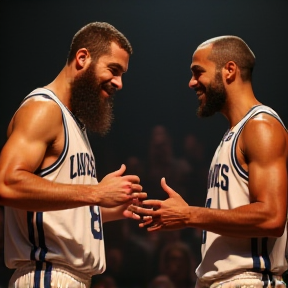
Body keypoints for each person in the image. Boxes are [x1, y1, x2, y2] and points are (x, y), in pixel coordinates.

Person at [128, 35, 288, 288]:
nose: (191, 83)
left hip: (250, 280)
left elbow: (272, 217)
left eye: (197, 72)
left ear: (229, 70)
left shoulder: (261, 126)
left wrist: (189, 215)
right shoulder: (232, 134)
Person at [0, 22, 147, 288]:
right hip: (45, 275)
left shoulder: (72, 121)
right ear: (82, 58)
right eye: (114, 70)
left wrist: (107, 209)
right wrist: (95, 193)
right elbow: (6, 182)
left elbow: (52, 210)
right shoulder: (43, 109)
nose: (119, 83)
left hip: (68, 277)